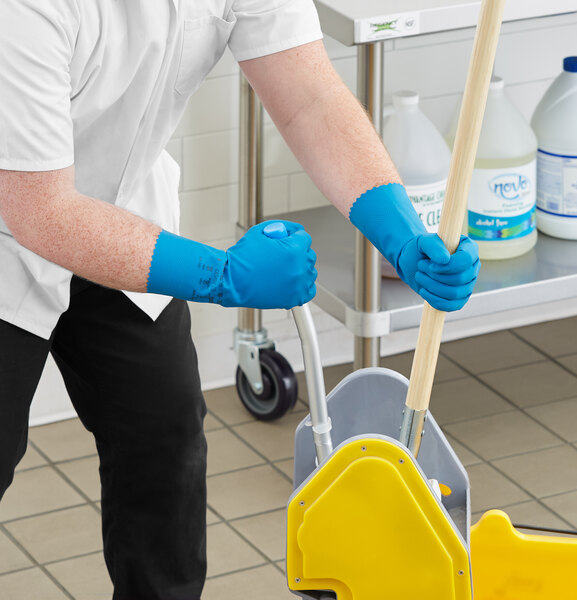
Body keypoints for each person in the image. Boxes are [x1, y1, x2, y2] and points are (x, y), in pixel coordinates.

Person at [0, 1, 480, 598]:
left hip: (123, 219)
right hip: (14, 228)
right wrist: (223, 275)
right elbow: (43, 213)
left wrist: (403, 235)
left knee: (164, 443)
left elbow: (309, 99)